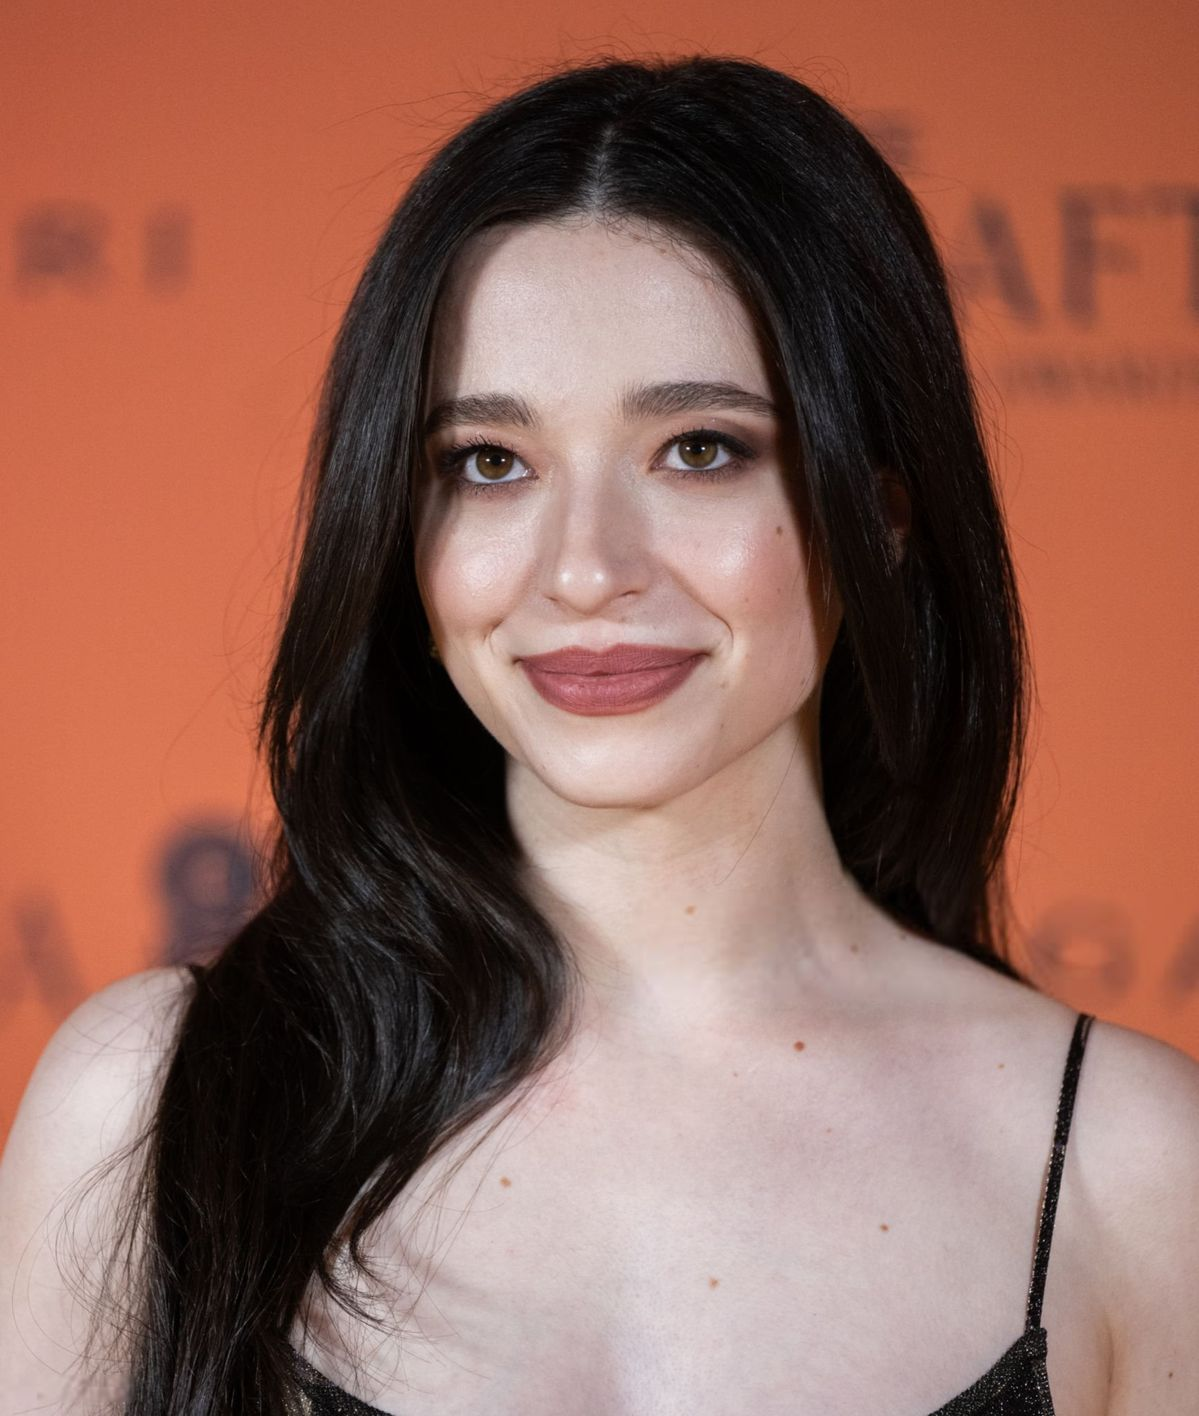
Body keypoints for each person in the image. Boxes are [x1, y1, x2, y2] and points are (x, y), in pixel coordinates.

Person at [1, 51, 1196, 1416]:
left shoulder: (1129, 1170)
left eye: (700, 448)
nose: (583, 570)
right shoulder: (151, 1108)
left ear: (878, 514)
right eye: (489, 463)